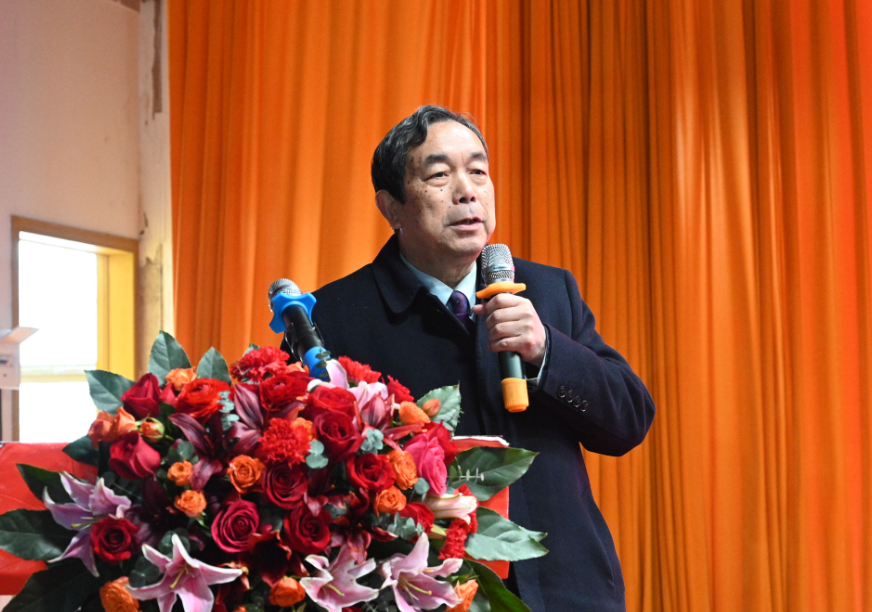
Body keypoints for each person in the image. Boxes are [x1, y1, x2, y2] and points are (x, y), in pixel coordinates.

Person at [310, 105, 655, 612]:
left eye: (478, 171)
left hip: (568, 589)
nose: (467, 191)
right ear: (391, 207)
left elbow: (629, 421)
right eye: (439, 175)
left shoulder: (548, 291)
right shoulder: (336, 316)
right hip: (421, 594)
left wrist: (546, 351)